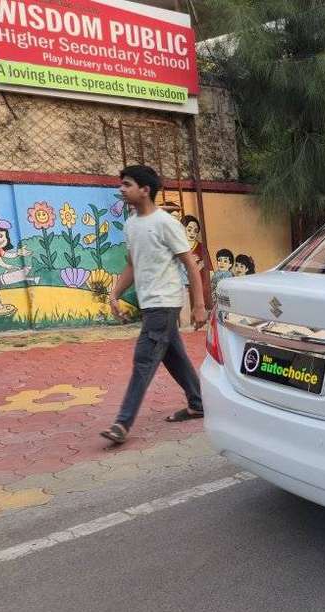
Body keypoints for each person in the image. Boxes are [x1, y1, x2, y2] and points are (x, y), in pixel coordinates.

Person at [101, 165, 207, 445]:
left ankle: (122, 423)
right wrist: (114, 294)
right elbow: (132, 264)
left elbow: (190, 265)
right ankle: (198, 403)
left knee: (143, 360)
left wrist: (199, 305)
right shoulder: (131, 224)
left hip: (164, 303)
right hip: (150, 303)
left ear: (145, 190)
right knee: (173, 356)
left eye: (127, 184)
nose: (121, 189)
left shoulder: (166, 223)